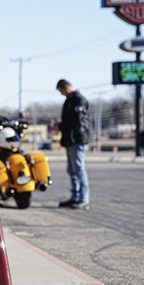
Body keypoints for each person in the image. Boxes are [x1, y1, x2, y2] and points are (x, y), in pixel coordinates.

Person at [54, 79, 91, 210]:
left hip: (78, 139)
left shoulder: (78, 99)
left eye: (61, 91)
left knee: (79, 169)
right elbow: (68, 120)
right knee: (72, 170)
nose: (62, 94)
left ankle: (83, 199)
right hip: (70, 140)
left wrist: (62, 126)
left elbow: (77, 120)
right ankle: (75, 197)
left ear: (66, 87)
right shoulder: (69, 100)